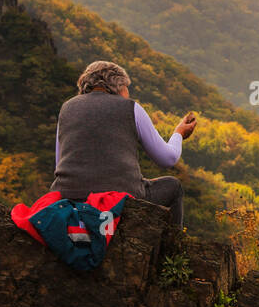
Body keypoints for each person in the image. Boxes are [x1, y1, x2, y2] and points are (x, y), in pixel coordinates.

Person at [52, 60, 197, 229]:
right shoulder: (130, 108)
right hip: (121, 197)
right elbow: (167, 159)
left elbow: (59, 163)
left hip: (67, 196)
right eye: (127, 87)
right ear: (119, 86)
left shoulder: (66, 109)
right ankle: (173, 251)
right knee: (173, 187)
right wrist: (178, 134)